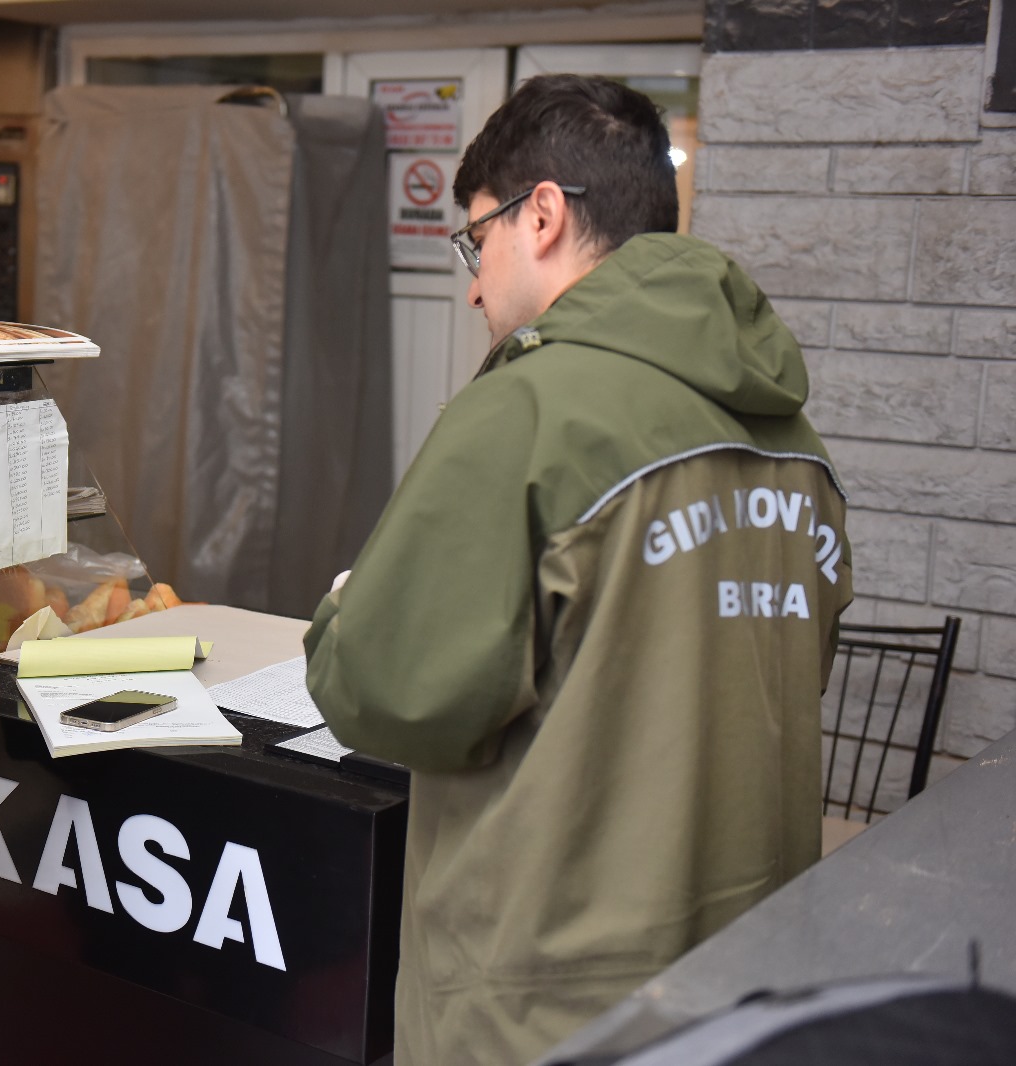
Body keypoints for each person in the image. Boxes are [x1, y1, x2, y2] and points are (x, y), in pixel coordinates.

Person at [304, 74, 852, 1066]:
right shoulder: (794, 442)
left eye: (476, 239)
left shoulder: (524, 411)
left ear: (542, 213)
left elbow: (391, 694)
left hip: (545, 1001)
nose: (471, 282)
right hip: (748, 974)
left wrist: (346, 614)